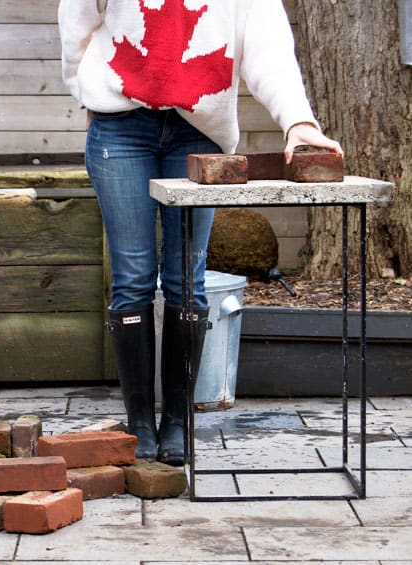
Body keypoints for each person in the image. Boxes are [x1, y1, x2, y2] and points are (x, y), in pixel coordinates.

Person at [58, 0, 343, 464]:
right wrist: (84, 93)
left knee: (185, 278)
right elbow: (76, 21)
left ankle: (176, 420)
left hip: (198, 129)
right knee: (131, 275)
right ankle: (139, 424)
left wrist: (298, 120)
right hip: (120, 127)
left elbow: (267, 41)